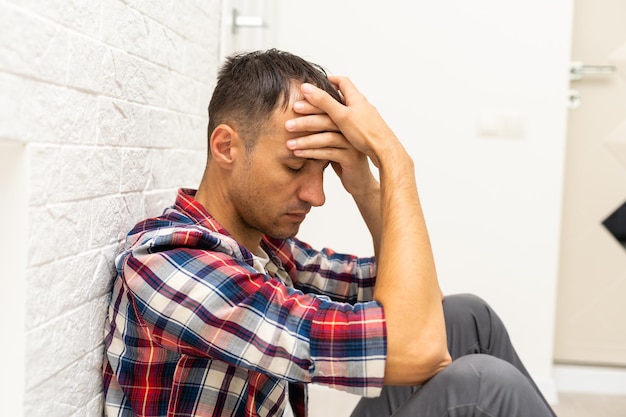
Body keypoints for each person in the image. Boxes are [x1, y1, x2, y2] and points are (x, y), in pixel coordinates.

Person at [103, 49, 557, 417]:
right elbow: (421, 350)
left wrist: (364, 180)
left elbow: (424, 310)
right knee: (481, 387)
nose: (316, 195)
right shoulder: (172, 263)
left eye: (324, 170)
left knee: (466, 317)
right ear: (226, 147)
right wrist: (395, 159)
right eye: (295, 167)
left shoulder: (269, 254)